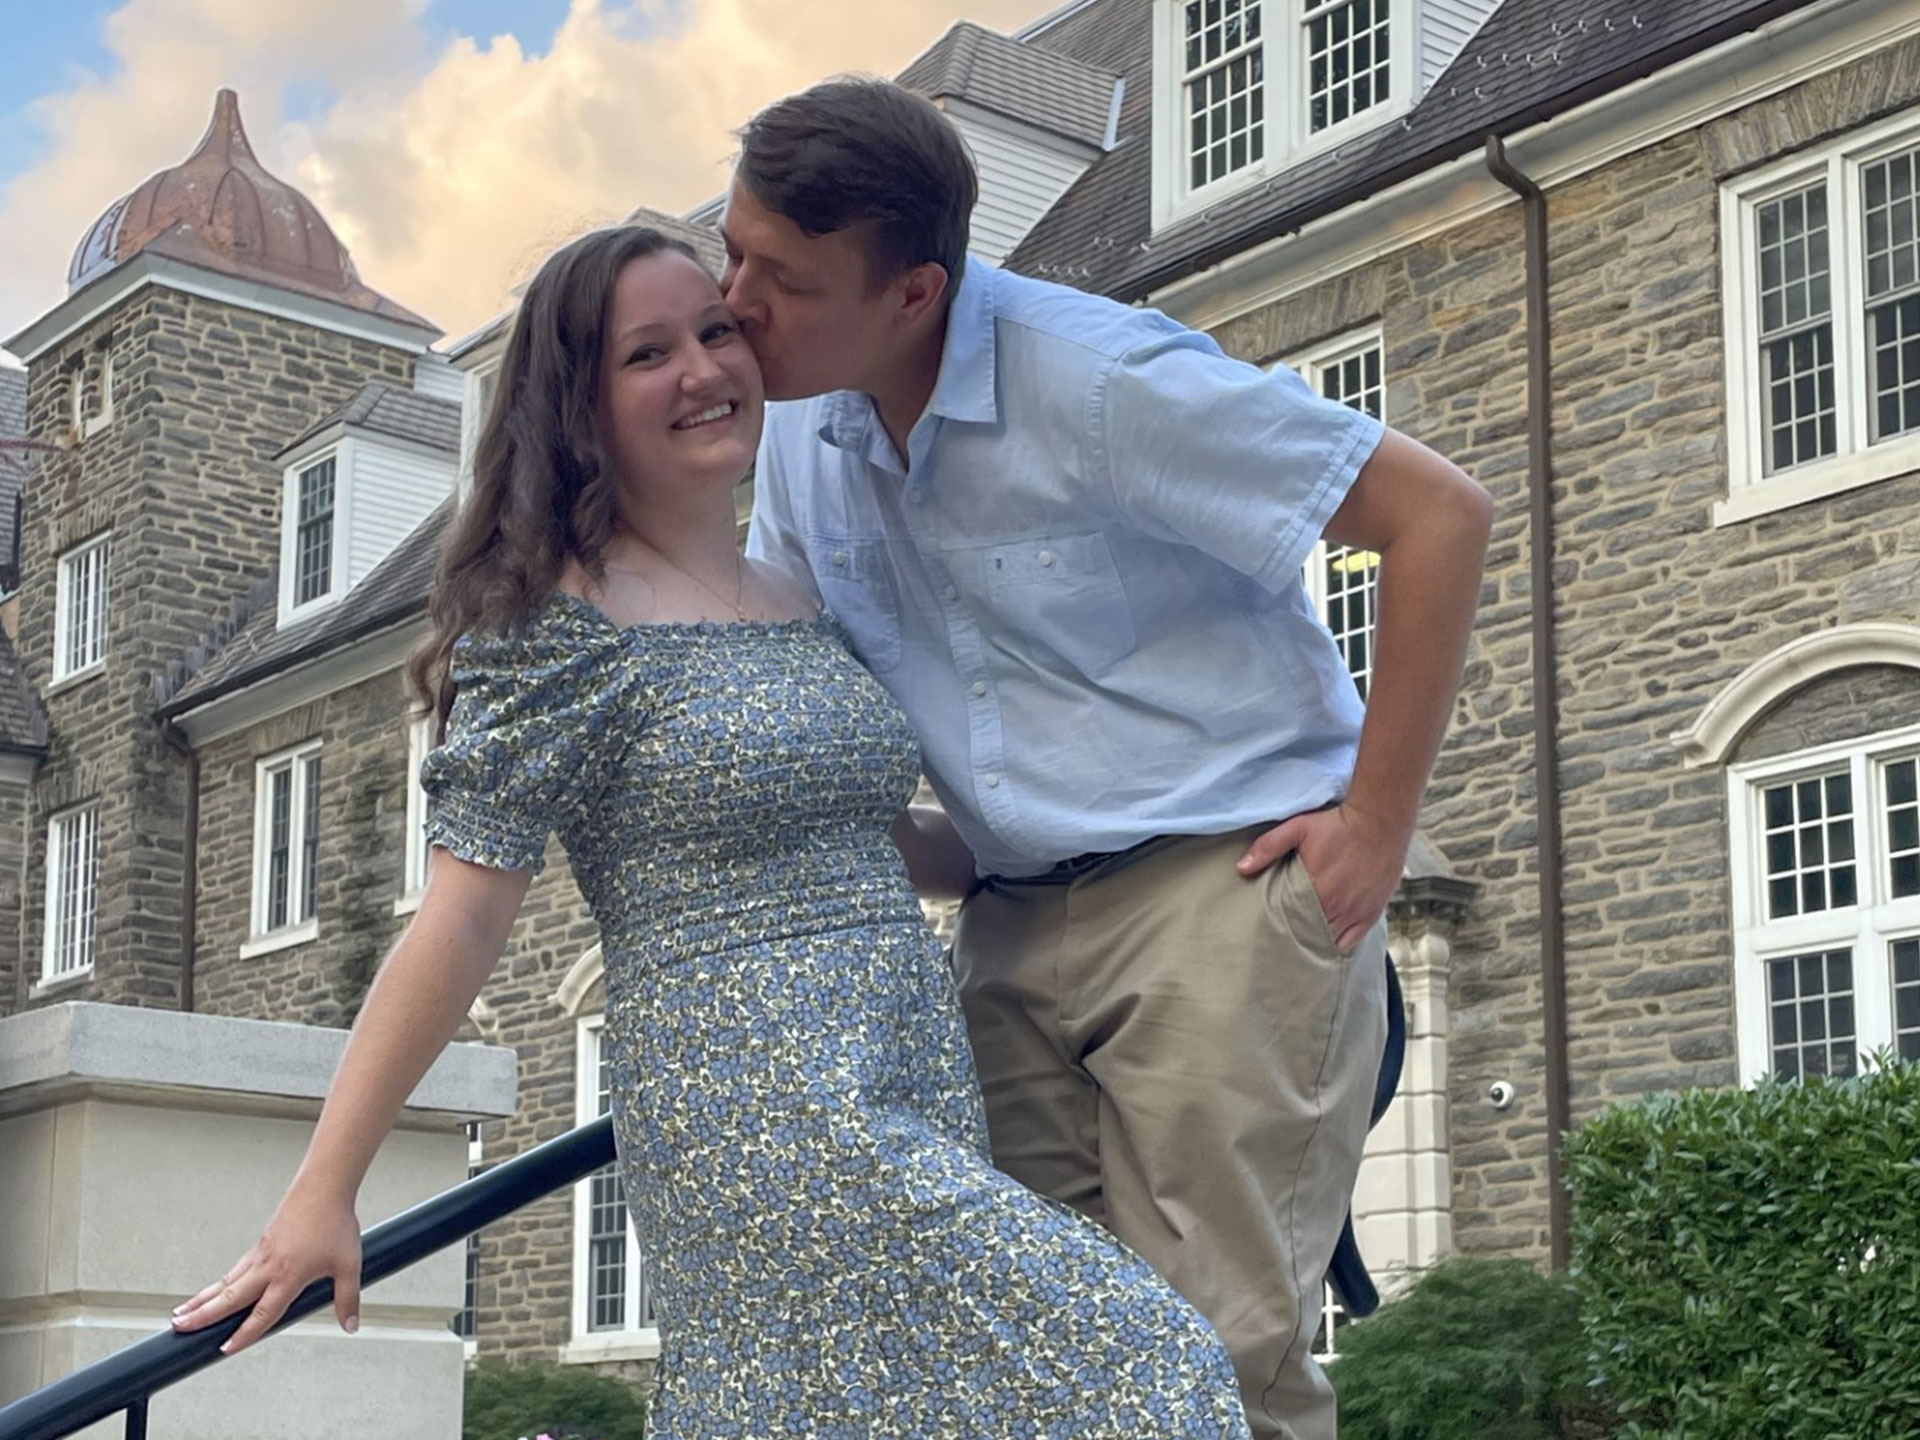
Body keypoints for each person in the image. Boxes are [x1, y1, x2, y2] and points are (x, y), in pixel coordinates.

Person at [170, 225, 1252, 1439]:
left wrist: (1171, 834)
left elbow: (880, 839)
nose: (702, 369)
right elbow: (462, 917)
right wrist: (324, 1191)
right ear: (579, 404)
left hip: (904, 1068)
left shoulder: (794, 589)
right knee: (1144, 1364)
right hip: (761, 1109)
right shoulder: (554, 630)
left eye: (715, 331)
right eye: (648, 352)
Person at [729, 80, 1493, 1440]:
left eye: (779, 279)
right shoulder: (801, 424)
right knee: (1029, 1369)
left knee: (1215, 1364)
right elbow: (802, 672)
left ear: (913, 293)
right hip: (1007, 918)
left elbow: (1437, 512)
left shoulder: (1102, 379)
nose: (736, 300)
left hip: (1223, 889)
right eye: (733, 252)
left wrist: (1374, 827)